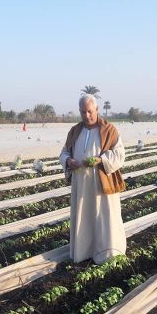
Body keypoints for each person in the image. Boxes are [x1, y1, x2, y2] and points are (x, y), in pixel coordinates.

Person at [59, 94, 126, 264]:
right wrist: (68, 161)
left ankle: (108, 252)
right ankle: (84, 251)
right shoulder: (75, 131)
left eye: (89, 111)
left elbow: (119, 154)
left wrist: (101, 160)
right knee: (84, 216)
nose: (86, 115)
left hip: (101, 184)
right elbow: (64, 152)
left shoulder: (109, 130)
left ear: (96, 109)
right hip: (81, 184)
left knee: (103, 217)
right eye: (83, 112)